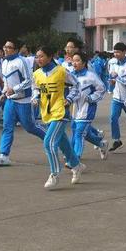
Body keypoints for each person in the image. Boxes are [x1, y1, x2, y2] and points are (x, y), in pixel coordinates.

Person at [32, 46, 84, 189]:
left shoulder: (61, 71)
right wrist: (35, 97)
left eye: (42, 56)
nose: (39, 59)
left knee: (49, 143)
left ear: (50, 57)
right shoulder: (37, 74)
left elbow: (76, 85)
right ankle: (76, 165)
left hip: (61, 113)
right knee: (63, 143)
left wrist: (69, 99)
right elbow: (36, 88)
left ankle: (54, 174)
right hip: (47, 114)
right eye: (37, 57)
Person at [0, 40, 47, 166]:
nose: (5, 49)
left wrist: (14, 89)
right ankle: (3, 155)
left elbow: (29, 80)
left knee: (30, 127)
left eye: (9, 47)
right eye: (5, 46)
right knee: (7, 127)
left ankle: (53, 140)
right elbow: (6, 82)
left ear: (16, 50)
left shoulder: (21, 61)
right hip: (11, 101)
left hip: (24, 101)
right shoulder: (4, 62)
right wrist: (4, 93)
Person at [70, 52, 109, 159]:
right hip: (75, 109)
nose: (75, 63)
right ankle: (102, 144)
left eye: (77, 60)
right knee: (82, 133)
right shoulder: (71, 75)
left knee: (79, 133)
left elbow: (102, 88)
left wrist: (91, 98)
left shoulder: (91, 76)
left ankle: (75, 158)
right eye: (73, 61)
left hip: (87, 109)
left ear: (84, 63)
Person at [107, 42, 126, 151]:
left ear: (124, 52)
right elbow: (113, 77)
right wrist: (113, 81)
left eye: (118, 52)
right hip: (116, 97)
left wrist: (117, 78)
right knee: (113, 118)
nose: (116, 54)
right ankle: (117, 140)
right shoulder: (113, 63)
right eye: (115, 52)